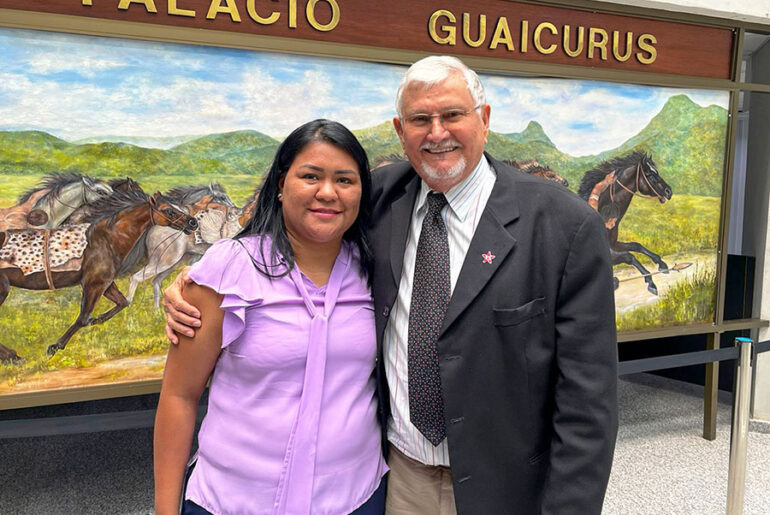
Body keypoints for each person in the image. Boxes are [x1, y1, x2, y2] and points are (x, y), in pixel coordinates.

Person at [164, 56, 618, 514]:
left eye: (452, 115)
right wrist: (196, 281)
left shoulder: (563, 224)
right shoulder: (381, 199)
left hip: (507, 487)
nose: (436, 132)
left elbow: (589, 402)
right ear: (401, 132)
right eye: (421, 119)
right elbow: (301, 231)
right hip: (400, 479)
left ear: (484, 119)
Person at [154, 119, 388, 515]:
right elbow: (180, 395)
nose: (327, 192)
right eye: (310, 176)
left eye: (345, 180)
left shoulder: (376, 271)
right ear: (281, 185)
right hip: (235, 501)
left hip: (355, 498)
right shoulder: (230, 269)